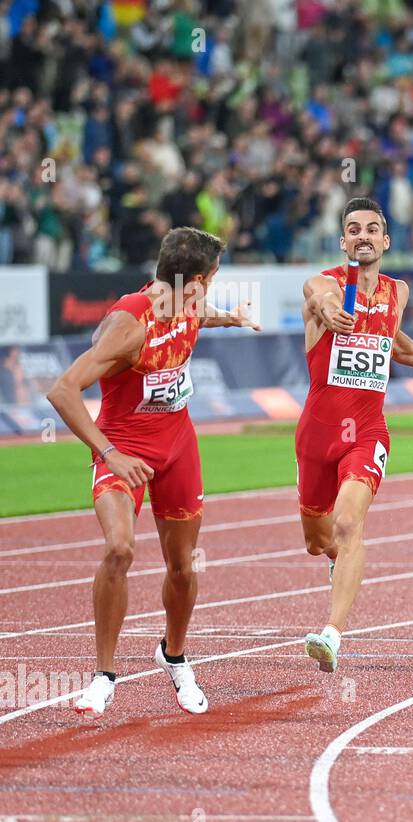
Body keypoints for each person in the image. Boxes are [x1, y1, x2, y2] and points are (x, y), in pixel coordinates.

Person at [45, 226, 261, 717]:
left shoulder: (184, 301)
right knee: (120, 549)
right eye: (214, 277)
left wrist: (229, 318)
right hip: (123, 450)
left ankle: (175, 656)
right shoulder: (130, 324)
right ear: (199, 279)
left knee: (183, 567)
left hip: (177, 448)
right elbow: (62, 389)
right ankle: (103, 675)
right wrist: (108, 453)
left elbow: (197, 315)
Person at [297, 197, 413, 672]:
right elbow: (319, 297)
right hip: (316, 434)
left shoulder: (398, 292)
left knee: (349, 524)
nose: (363, 236)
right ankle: (333, 556)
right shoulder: (324, 283)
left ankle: (331, 634)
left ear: (386, 240)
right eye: (353, 229)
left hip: (367, 432)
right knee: (316, 539)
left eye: (372, 229)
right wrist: (329, 311)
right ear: (343, 240)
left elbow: (392, 342)